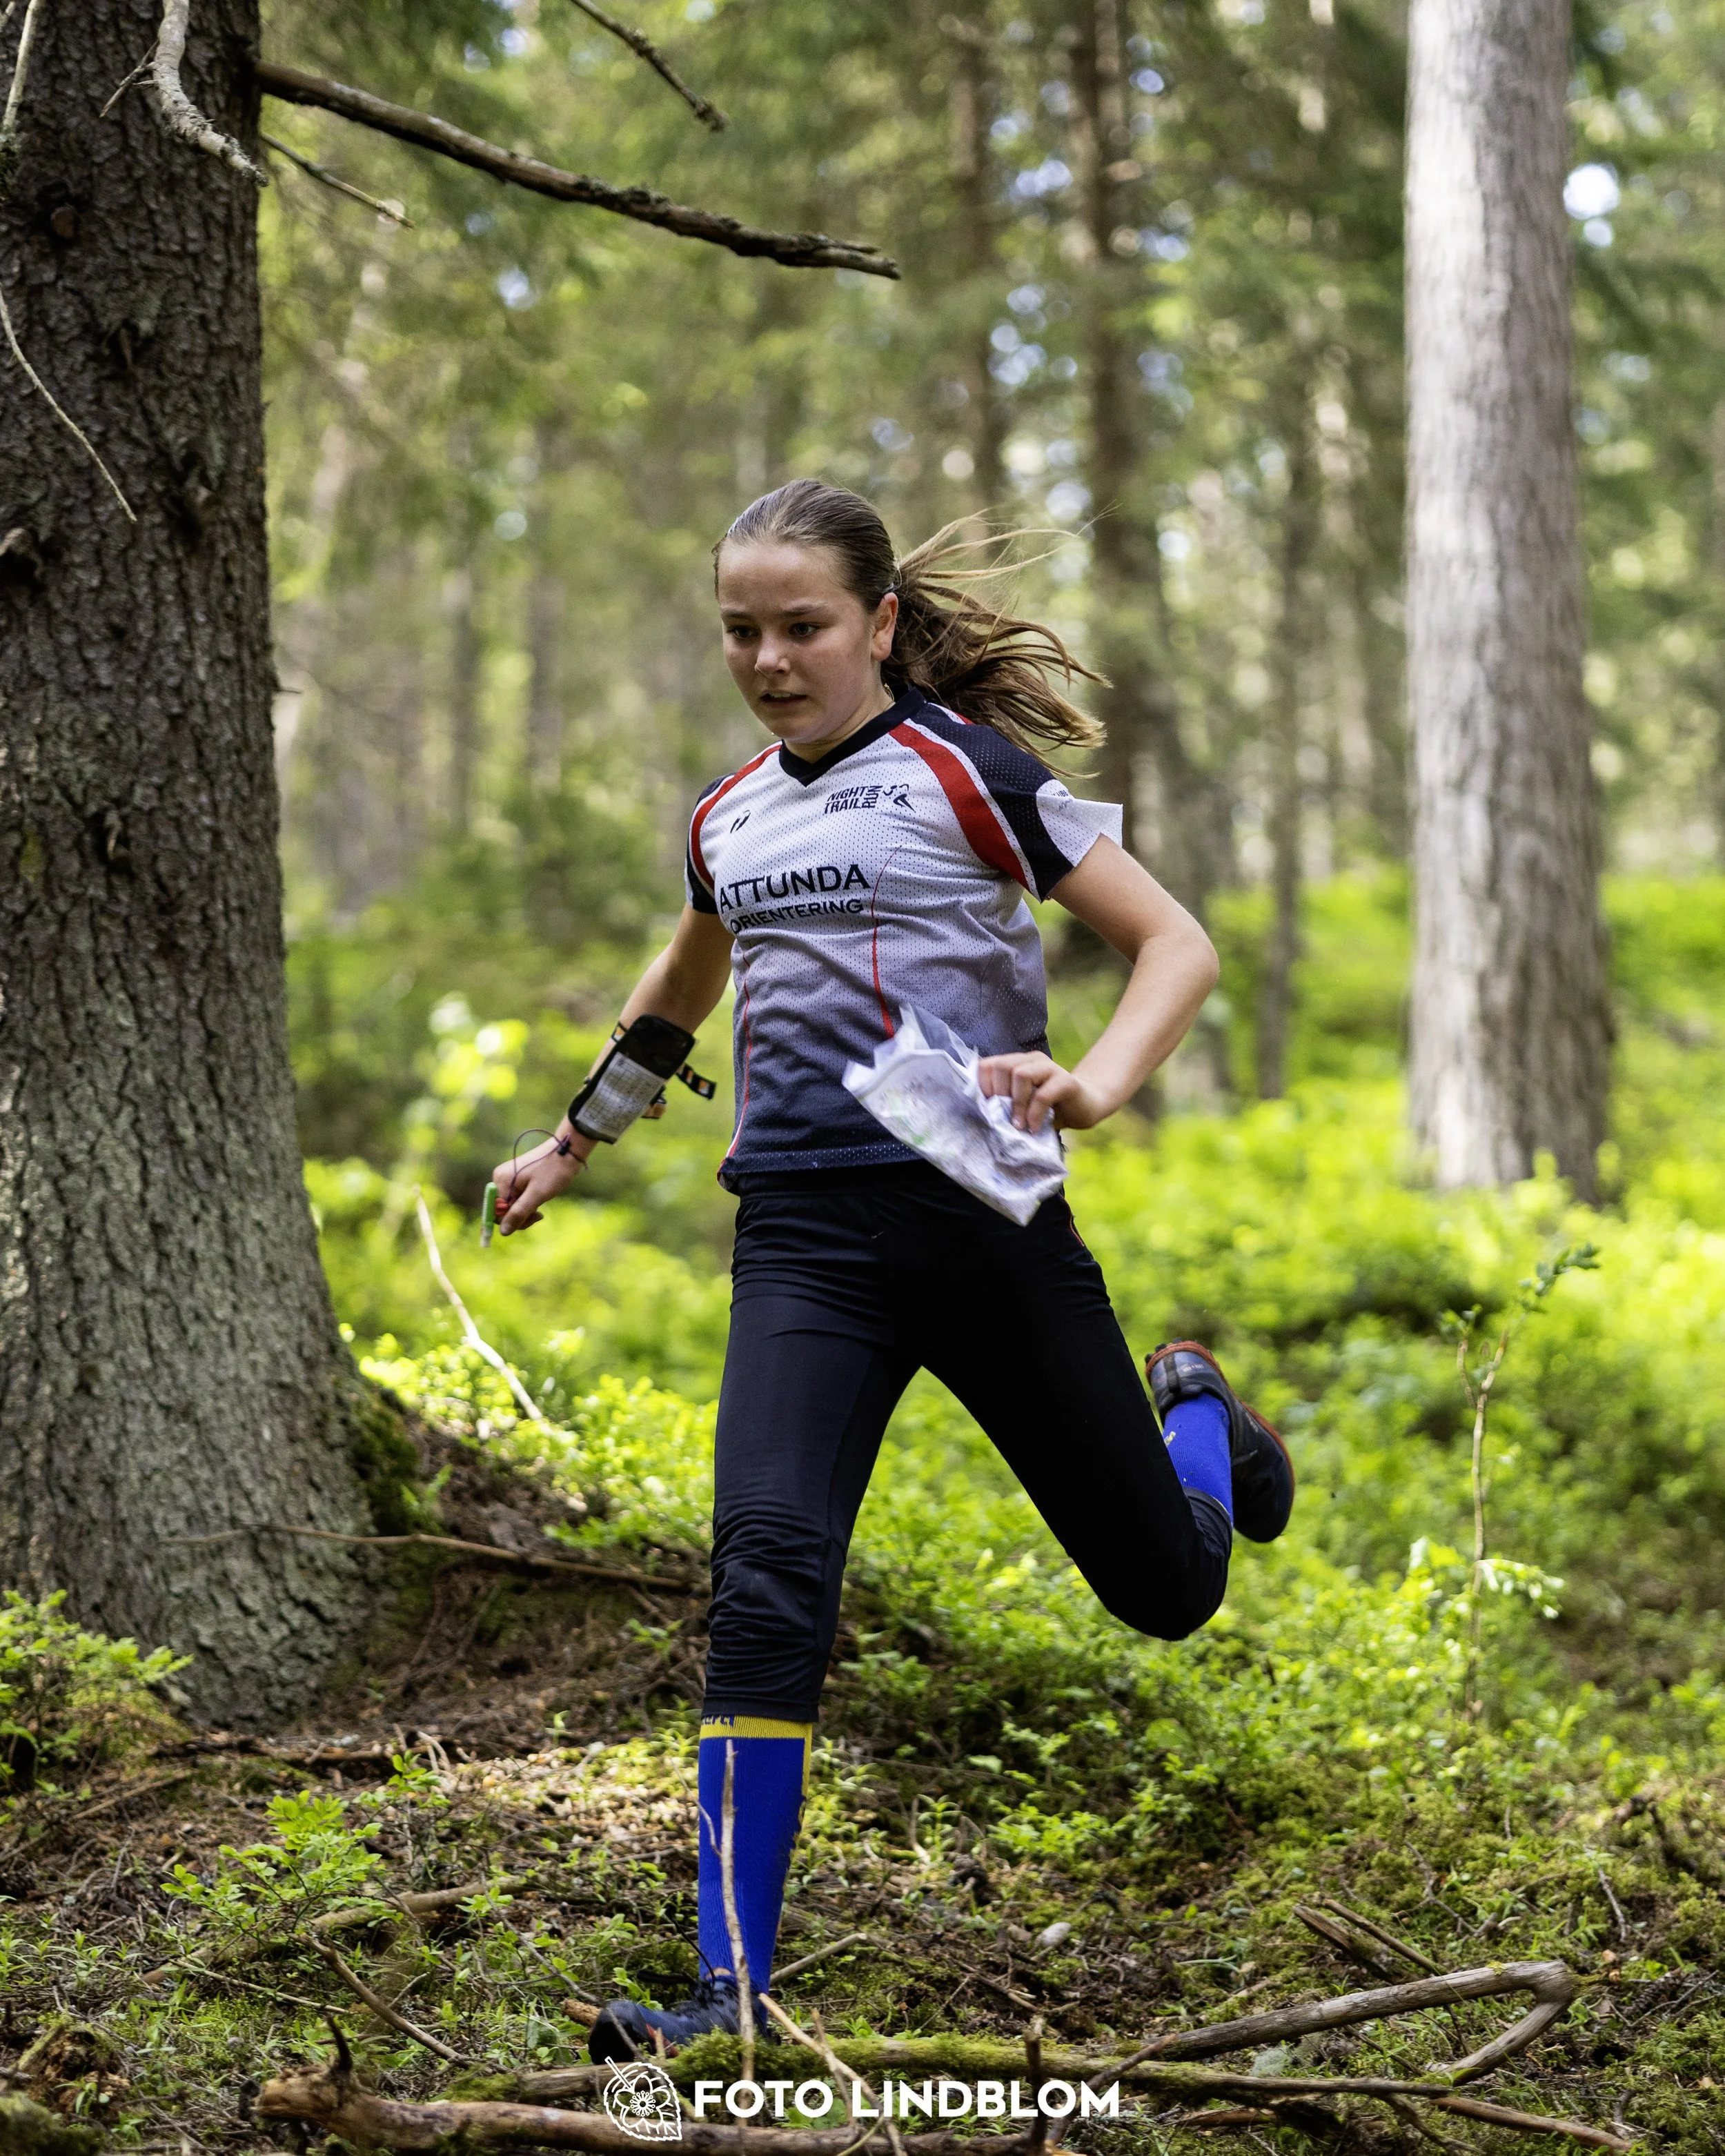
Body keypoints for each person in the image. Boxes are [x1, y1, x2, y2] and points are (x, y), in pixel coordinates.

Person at [493, 480, 1294, 2059]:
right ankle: (728, 1995)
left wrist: (1097, 1082)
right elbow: (683, 973)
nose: (771, 658)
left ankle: (1198, 1415)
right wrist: (576, 1136)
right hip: (800, 1236)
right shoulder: (731, 814)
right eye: (741, 629)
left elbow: (1173, 943)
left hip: (981, 1225)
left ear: (875, 624)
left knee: (1166, 1589)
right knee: (765, 1572)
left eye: (801, 625)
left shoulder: (962, 770)